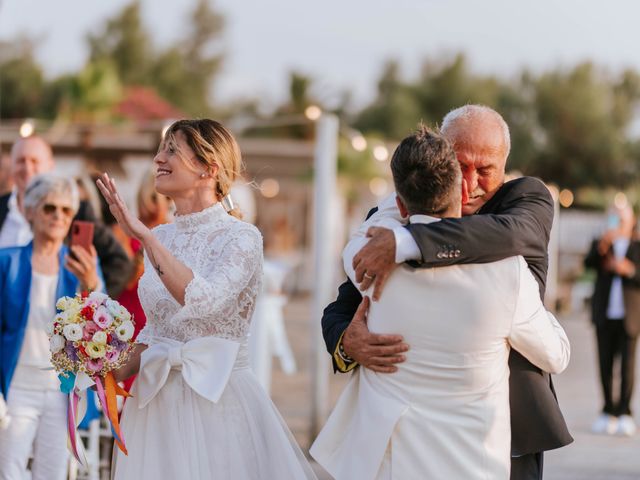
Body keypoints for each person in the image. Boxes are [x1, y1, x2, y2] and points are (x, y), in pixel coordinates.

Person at [322, 105, 572, 480]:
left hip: (510, 425)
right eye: (461, 166)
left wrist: (408, 241)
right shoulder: (391, 214)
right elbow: (344, 301)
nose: (470, 183)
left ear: (504, 165)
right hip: (402, 429)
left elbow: (515, 234)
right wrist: (346, 344)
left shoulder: (526, 201)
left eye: (484, 170)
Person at [97, 119, 316, 479]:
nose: (158, 158)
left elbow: (202, 299)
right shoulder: (162, 235)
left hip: (217, 400)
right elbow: (156, 331)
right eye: (161, 149)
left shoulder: (242, 238)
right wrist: (103, 363)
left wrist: (145, 239)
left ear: (207, 169)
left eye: (171, 150)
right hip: (156, 405)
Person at [0, 174, 102, 480]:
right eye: (49, 208)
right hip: (15, 384)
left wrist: (92, 284)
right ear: (31, 211)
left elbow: (100, 327)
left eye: (66, 210)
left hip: (61, 387)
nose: (58, 216)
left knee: (53, 472)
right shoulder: (7, 261)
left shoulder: (81, 267)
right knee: (9, 469)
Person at [0, 136, 132, 297]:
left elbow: (119, 262)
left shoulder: (77, 210)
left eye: (35, 161)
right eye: (21, 161)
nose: (27, 168)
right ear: (10, 165)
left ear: (50, 165)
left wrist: (87, 300)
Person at [584, 203, 640, 436]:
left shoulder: (637, 247)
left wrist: (630, 271)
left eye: (623, 218)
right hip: (604, 315)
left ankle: (624, 412)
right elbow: (587, 264)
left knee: (627, 367)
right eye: (615, 218)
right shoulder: (601, 243)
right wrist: (604, 244)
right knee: (604, 365)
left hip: (630, 316)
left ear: (631, 221)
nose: (619, 222)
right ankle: (607, 410)